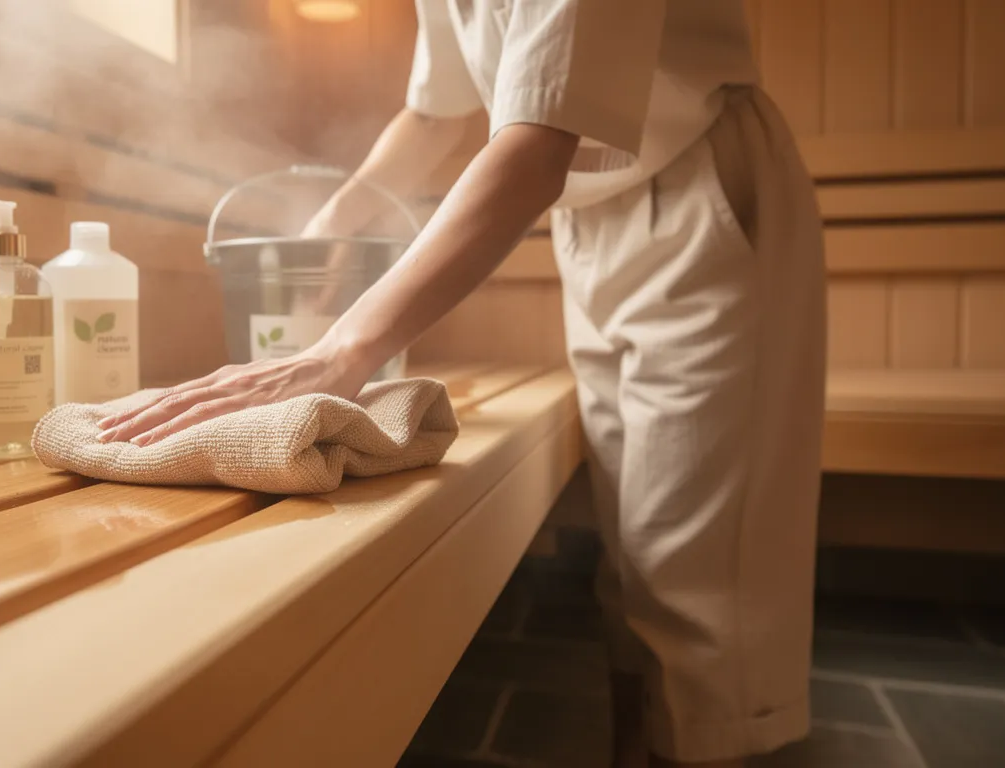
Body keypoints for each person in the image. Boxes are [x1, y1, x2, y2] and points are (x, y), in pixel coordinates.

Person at [97, 1, 827, 765]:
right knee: (637, 549)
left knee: (697, 575)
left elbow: (536, 147)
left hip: (699, 197)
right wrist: (337, 222)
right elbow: (433, 110)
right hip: (596, 228)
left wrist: (337, 352)